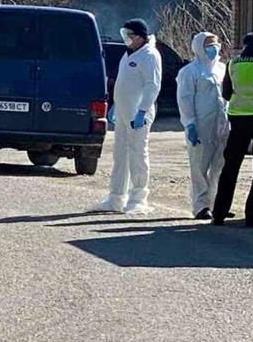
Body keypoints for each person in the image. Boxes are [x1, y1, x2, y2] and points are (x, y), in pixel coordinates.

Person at [92, 19, 162, 215]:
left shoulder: (149, 55)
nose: (126, 39)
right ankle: (116, 197)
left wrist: (142, 110)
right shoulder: (129, 53)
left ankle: (138, 198)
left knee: (138, 154)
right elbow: (124, 82)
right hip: (123, 112)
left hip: (138, 114)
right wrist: (116, 105)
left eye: (130, 35)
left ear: (140, 37)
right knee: (120, 155)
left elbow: (152, 85)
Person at [176, 31, 229, 220]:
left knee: (219, 166)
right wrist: (189, 124)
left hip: (222, 125)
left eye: (216, 44)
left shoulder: (223, 69)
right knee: (200, 167)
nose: (213, 48)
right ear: (199, 47)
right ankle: (200, 206)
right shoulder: (190, 72)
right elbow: (185, 99)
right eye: (209, 45)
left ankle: (217, 204)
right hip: (200, 125)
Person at [212, 32, 253, 227]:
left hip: (238, 120)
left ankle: (219, 214)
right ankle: (252, 215)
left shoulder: (233, 64)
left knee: (230, 167)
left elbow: (226, 94)